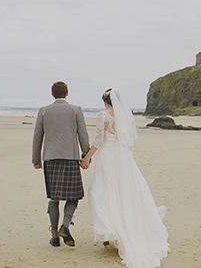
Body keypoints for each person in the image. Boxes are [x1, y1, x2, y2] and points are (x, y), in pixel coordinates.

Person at [80, 88, 169, 268]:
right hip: (123, 158)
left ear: (106, 101)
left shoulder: (102, 115)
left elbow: (98, 140)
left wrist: (86, 158)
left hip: (107, 157)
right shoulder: (125, 118)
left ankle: (110, 231)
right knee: (124, 192)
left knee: (99, 191)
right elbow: (130, 140)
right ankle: (115, 230)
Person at [32, 81, 90, 247]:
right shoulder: (76, 110)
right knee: (74, 196)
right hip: (70, 158)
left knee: (54, 197)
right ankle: (64, 225)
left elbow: (37, 136)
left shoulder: (43, 111)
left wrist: (36, 159)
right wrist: (86, 156)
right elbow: (83, 135)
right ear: (67, 93)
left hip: (50, 158)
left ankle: (54, 237)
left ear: (52, 94)